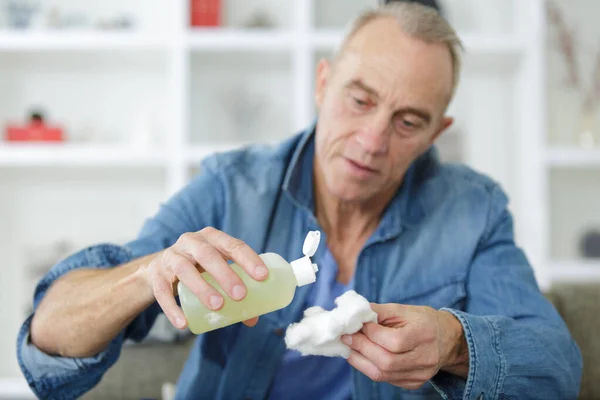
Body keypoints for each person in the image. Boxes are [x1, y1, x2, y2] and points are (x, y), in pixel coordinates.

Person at [16, 3, 582, 399]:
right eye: (359, 100)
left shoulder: (473, 211)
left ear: (438, 132)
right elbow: (45, 349)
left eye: (408, 121)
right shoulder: (229, 188)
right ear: (322, 83)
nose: (372, 141)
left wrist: (454, 342)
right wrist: (149, 274)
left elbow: (556, 369)